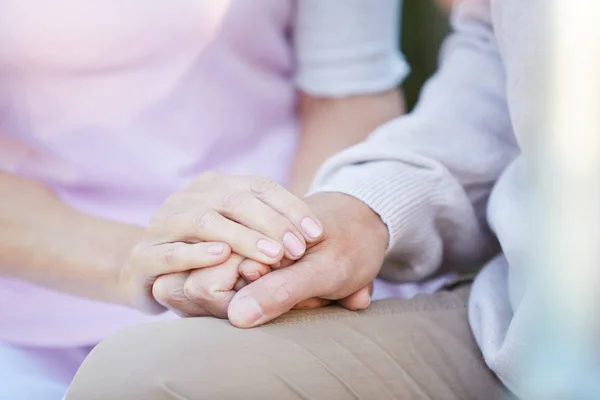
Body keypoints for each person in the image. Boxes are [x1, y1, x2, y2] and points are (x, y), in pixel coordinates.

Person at [66, 0, 543, 398]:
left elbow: (346, 98)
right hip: (528, 325)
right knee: (140, 375)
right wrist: (360, 209)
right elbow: (505, 76)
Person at [0, 1, 412, 399]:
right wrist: (145, 262)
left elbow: (348, 96)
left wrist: (294, 257)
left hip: (282, 261)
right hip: (36, 307)